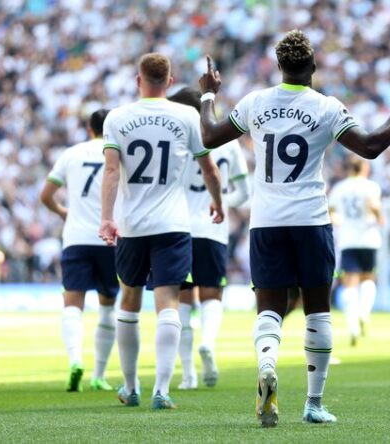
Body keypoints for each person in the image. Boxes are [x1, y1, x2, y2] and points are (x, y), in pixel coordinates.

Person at [198, 30, 390, 426]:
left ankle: (267, 366)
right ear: (313, 67)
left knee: (270, 309)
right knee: (318, 312)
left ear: (279, 67)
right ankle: (314, 404)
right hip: (312, 221)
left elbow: (210, 136)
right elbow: (370, 147)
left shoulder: (255, 103)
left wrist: (208, 95)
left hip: (266, 222)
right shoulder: (326, 107)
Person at [99, 53, 224, 410]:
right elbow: (210, 170)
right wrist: (217, 202)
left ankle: (130, 386)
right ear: (169, 82)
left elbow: (110, 171)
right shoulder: (186, 115)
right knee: (168, 303)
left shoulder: (117, 118)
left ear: (138, 80)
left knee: (129, 300)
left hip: (132, 224)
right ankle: (162, 390)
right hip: (172, 224)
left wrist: (107, 218)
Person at [166, 87, 250, 390]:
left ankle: (188, 374)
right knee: (213, 294)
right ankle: (209, 344)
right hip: (213, 230)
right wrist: (222, 202)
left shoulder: (177, 142)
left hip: (179, 230)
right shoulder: (228, 145)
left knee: (183, 301)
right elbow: (244, 191)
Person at [40, 109, 118, 393]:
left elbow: (45, 195)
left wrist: (64, 213)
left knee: (72, 304)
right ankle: (99, 374)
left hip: (76, 238)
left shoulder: (71, 154)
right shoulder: (118, 152)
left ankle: (75, 361)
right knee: (108, 306)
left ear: (89, 129)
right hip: (110, 238)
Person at [329, 158, 384, 346]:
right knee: (368, 279)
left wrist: (338, 220)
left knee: (349, 284)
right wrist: (380, 218)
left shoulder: (339, 188)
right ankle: (364, 313)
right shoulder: (371, 187)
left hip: (348, 240)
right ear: (365, 168)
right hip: (369, 239)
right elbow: (375, 207)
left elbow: (331, 212)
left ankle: (352, 326)